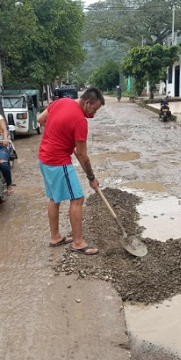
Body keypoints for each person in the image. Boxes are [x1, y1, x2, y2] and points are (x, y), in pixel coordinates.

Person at [36, 87, 105, 255]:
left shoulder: (61, 102)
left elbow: (40, 119)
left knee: (54, 198)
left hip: (44, 157)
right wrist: (91, 178)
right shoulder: (80, 121)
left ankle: (55, 237)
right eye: (94, 109)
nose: (93, 114)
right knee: (77, 198)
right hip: (58, 161)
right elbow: (82, 155)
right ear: (87, 103)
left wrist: (60, 133)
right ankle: (78, 243)